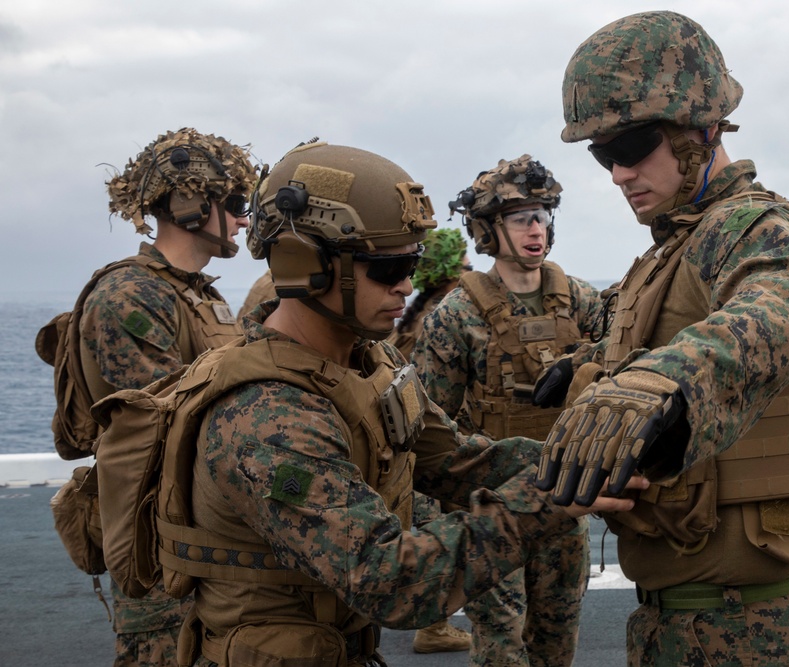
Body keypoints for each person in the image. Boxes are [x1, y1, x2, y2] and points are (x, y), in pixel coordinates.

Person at [151, 140, 636, 667]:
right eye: (388, 268)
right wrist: (551, 501)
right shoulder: (268, 415)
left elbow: (452, 459)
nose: (407, 283)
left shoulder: (366, 362)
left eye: (413, 262)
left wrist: (579, 464)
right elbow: (390, 581)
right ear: (304, 263)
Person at [534, 11, 789, 665]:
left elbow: (779, 309)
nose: (618, 173)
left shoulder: (748, 227)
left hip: (759, 627)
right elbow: (664, 330)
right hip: (685, 620)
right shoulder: (676, 245)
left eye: (631, 147)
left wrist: (667, 381)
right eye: (602, 155)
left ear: (702, 128)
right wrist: (590, 368)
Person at [413, 155, 602, 667]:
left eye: (542, 216)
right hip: (490, 509)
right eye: (521, 219)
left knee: (557, 639)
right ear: (488, 230)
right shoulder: (456, 315)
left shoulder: (582, 302)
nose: (535, 229)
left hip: (564, 504)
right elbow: (430, 427)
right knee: (502, 642)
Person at [86, 128, 256, 665]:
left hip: (204, 530)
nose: (244, 220)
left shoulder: (198, 294)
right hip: (159, 541)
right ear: (189, 207)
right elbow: (168, 422)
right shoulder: (130, 296)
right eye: (235, 204)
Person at [388, 226, 474, 654]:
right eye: (462, 265)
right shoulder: (444, 312)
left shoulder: (417, 310)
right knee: (435, 532)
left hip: (414, 437)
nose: (469, 270)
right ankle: (433, 627)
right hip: (427, 439)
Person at [387, 226, 471, 361]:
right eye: (468, 267)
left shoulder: (424, 309)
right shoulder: (442, 317)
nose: (471, 274)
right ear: (450, 274)